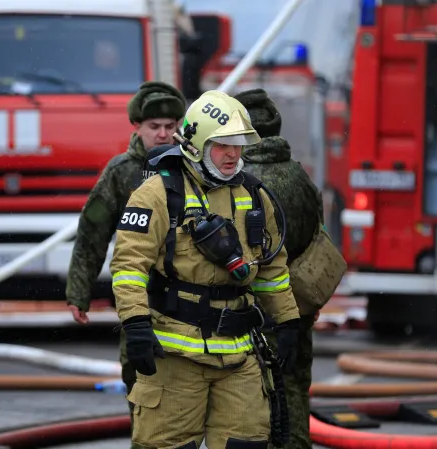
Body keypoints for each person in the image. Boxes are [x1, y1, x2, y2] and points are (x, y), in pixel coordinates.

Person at [110, 90, 301, 449]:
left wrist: (288, 322)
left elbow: (272, 267)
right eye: (222, 144)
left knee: (247, 444)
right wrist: (135, 323)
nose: (233, 155)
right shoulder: (156, 195)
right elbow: (128, 264)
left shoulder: (255, 196)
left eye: (239, 144)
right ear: (196, 144)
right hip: (175, 357)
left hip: (239, 355)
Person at [65, 80, 187, 440]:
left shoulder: (193, 166)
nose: (163, 134)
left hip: (189, 299)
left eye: (170, 126)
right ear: (137, 127)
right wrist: (79, 292)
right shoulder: (121, 173)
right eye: (154, 127)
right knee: (139, 382)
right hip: (139, 299)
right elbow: (92, 232)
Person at [235, 88, 347, 449]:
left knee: (254, 402)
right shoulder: (300, 177)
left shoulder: (241, 183)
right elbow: (317, 233)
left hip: (254, 312)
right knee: (295, 387)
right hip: (299, 305)